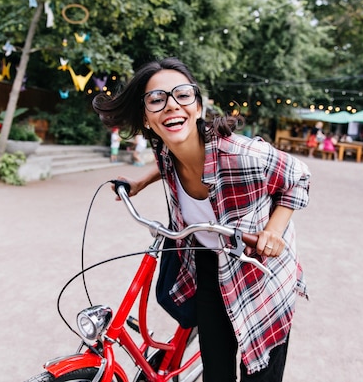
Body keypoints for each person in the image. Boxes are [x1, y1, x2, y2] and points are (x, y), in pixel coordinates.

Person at [92, 57, 311, 382]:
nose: (170, 106)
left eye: (182, 95)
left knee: (260, 372)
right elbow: (168, 158)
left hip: (260, 272)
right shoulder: (165, 150)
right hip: (210, 265)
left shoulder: (242, 154)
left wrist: (274, 231)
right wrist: (140, 182)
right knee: (216, 371)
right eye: (156, 99)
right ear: (146, 118)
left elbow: (298, 177)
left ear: (197, 105)